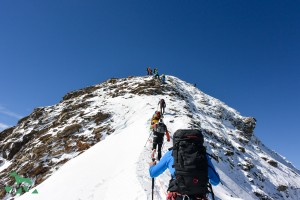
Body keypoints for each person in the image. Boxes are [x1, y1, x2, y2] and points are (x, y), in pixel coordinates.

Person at [149, 129, 220, 200]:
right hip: (198, 196)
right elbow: (215, 181)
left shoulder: (171, 154)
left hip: (177, 196)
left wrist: (152, 165)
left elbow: (153, 173)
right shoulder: (203, 155)